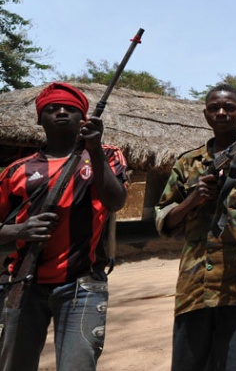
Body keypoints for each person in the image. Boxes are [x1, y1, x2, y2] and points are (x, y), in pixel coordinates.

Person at [155, 83, 236, 371]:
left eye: (229, 107)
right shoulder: (188, 162)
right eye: (214, 107)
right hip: (195, 290)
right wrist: (192, 200)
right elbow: (164, 220)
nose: (221, 112)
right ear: (205, 114)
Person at [0, 82, 128, 371]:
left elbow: (116, 201)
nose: (61, 112)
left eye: (70, 109)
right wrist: (18, 230)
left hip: (82, 284)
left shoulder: (107, 155)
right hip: (24, 283)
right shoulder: (17, 171)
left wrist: (94, 150)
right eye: (52, 108)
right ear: (39, 118)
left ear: (83, 118)